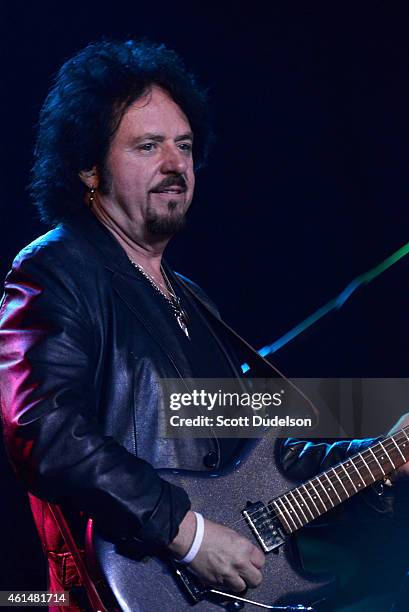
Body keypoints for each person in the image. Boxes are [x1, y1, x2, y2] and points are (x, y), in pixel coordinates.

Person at [0, 39, 407, 611]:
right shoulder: (55, 270)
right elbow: (43, 431)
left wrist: (384, 453)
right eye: (148, 146)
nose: (175, 165)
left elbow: (271, 461)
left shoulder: (195, 303)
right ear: (88, 168)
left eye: (184, 146)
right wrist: (187, 535)